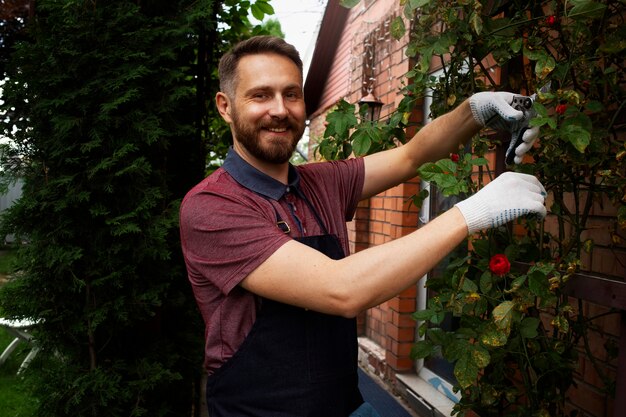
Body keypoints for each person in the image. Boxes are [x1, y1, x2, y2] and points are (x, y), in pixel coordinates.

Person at [179, 35, 546, 417]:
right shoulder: (212, 206)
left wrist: (477, 110)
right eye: (260, 95)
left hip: (343, 405)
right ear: (225, 106)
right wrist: (475, 211)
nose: (280, 109)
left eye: (291, 94)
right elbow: (341, 289)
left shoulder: (322, 182)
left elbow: (412, 156)